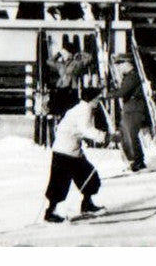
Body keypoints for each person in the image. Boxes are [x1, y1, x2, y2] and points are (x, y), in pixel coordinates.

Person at [43, 86, 106, 220]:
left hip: (72, 151)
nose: (99, 101)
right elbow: (86, 129)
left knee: (89, 177)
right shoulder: (85, 110)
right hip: (65, 152)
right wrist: (105, 137)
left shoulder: (81, 108)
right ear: (91, 99)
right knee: (59, 183)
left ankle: (87, 204)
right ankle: (50, 213)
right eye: (97, 98)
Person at [110, 55, 150, 171]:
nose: (119, 67)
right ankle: (134, 160)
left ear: (127, 64)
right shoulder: (127, 77)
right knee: (126, 135)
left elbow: (123, 92)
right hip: (129, 108)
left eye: (121, 64)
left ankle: (138, 161)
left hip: (134, 109)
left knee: (131, 135)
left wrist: (108, 94)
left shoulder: (132, 77)